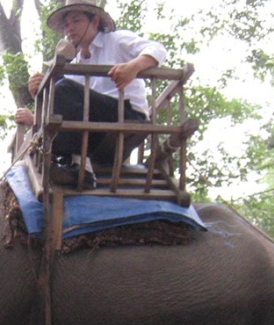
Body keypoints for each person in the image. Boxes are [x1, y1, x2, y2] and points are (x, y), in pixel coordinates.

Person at [16, 0, 167, 188]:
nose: (69, 29)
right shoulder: (74, 67)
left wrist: (134, 67)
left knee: (63, 87)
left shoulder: (116, 40)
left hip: (127, 115)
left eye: (76, 21)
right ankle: (79, 166)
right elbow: (68, 108)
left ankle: (79, 165)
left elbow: (157, 49)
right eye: (66, 25)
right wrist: (39, 96)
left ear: (95, 21)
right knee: (56, 104)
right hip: (96, 130)